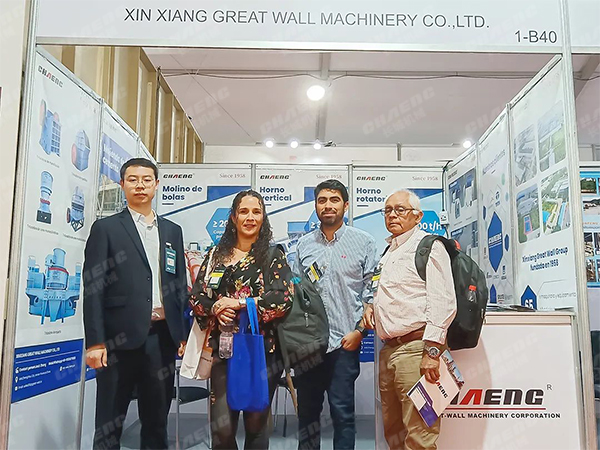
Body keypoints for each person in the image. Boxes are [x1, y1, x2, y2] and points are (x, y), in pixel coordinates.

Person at [83, 158, 188, 449]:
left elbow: (179, 283)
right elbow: (93, 288)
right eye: (132, 179)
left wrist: (180, 333)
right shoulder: (106, 228)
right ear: (122, 185)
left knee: (156, 421)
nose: (140, 185)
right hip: (117, 340)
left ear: (156, 185)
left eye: (146, 179)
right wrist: (95, 342)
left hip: (161, 339)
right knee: (109, 422)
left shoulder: (172, 231)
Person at [189, 190, 294, 450]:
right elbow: (196, 297)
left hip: (262, 352)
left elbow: (282, 299)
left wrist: (238, 304)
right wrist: (215, 307)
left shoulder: (273, 256)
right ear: (234, 218)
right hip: (223, 352)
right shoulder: (216, 255)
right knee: (222, 429)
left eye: (256, 212)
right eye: (244, 212)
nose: (250, 217)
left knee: (257, 426)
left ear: (263, 217)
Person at [363, 189, 457, 450]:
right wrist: (371, 306)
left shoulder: (429, 246)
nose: (392, 215)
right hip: (389, 350)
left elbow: (443, 301)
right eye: (388, 210)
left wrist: (432, 352)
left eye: (400, 210)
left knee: (419, 435)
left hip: (417, 350)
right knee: (393, 432)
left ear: (418, 216)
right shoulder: (389, 251)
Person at [294, 179, 378, 450]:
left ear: (346, 205)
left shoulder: (364, 242)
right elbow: (295, 294)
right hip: (308, 344)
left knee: (343, 414)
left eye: (334, 200)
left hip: (345, 341)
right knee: (307, 415)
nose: (328, 206)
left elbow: (372, 293)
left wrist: (359, 332)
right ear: (315, 206)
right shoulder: (303, 245)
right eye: (322, 200)